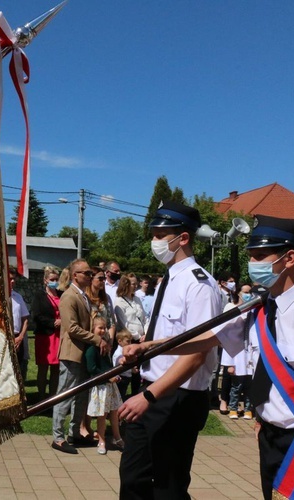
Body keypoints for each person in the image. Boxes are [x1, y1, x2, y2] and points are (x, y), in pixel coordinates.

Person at [124, 215, 294, 500]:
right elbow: (206, 339)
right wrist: (150, 347)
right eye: (251, 256)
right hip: (270, 435)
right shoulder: (259, 309)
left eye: (260, 256)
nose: (253, 264)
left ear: (290, 258)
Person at [117, 200, 221, 499]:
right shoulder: (169, 280)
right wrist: (141, 350)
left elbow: (197, 352)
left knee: (168, 487)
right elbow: (167, 337)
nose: (154, 241)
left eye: (160, 235)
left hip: (177, 397)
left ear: (183, 238)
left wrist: (151, 396)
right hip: (151, 388)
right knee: (133, 479)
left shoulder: (199, 284)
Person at [50, 258, 110, 455]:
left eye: (91, 274)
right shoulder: (69, 297)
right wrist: (96, 339)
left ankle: (74, 433)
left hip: (84, 354)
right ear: (75, 275)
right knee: (65, 395)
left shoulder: (83, 296)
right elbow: (72, 328)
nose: (90, 276)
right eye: (86, 273)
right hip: (72, 353)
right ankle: (58, 438)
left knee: (81, 395)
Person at [86, 316, 124, 455]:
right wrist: (108, 377)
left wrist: (114, 375)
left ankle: (117, 437)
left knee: (114, 412)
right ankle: (101, 440)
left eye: (104, 328)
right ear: (93, 329)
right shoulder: (91, 349)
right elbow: (92, 369)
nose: (103, 330)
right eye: (99, 328)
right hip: (100, 387)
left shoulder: (106, 347)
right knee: (102, 414)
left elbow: (108, 366)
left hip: (110, 386)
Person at [31, 266, 62, 400]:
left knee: (56, 368)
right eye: (52, 279)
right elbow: (36, 315)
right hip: (45, 336)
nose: (54, 281)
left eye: (56, 279)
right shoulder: (39, 296)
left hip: (59, 335)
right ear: (45, 280)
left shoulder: (62, 294)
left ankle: (53, 397)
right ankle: (42, 398)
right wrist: (52, 323)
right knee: (43, 368)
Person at [8, 267, 30, 381]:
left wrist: (21, 336)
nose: (12, 281)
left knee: (18, 369)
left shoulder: (18, 296)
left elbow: (25, 318)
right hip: (4, 337)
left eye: (14, 279)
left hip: (17, 338)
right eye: (10, 279)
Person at [113, 329, 137, 400]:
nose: (130, 343)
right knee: (120, 397)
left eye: (130, 341)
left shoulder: (125, 350)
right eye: (127, 341)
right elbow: (118, 365)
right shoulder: (118, 353)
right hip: (121, 378)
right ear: (120, 341)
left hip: (126, 377)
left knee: (123, 395)